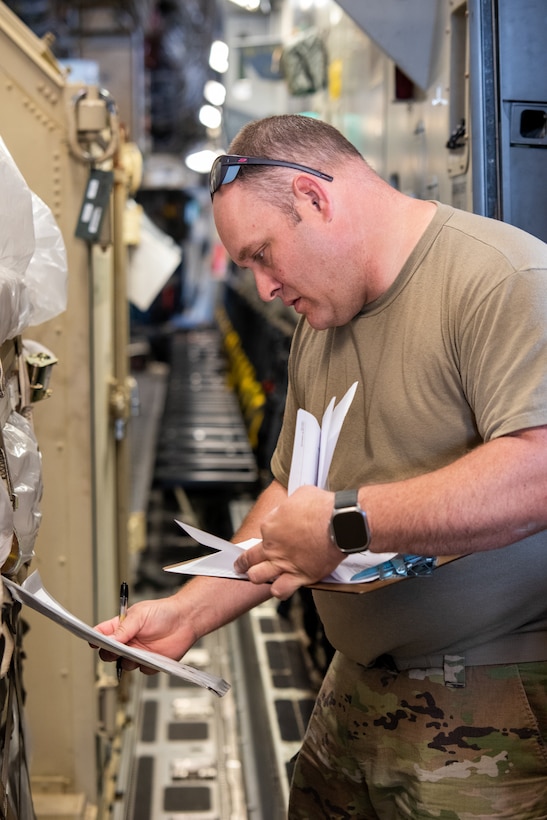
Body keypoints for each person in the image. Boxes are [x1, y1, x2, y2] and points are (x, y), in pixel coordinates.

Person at [95, 115, 547, 818]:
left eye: (263, 254)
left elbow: (537, 471)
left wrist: (346, 521)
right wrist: (188, 615)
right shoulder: (322, 322)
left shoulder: (498, 279)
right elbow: (290, 496)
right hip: (356, 688)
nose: (265, 287)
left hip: (488, 702)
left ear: (313, 197)